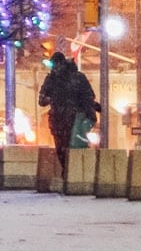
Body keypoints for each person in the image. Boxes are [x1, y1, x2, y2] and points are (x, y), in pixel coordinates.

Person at [38, 51, 98, 190]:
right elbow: (42, 100)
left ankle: (73, 177)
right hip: (63, 119)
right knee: (66, 149)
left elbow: (88, 97)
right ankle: (72, 177)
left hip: (71, 119)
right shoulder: (56, 79)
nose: (55, 68)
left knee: (70, 149)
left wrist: (89, 113)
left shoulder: (72, 78)